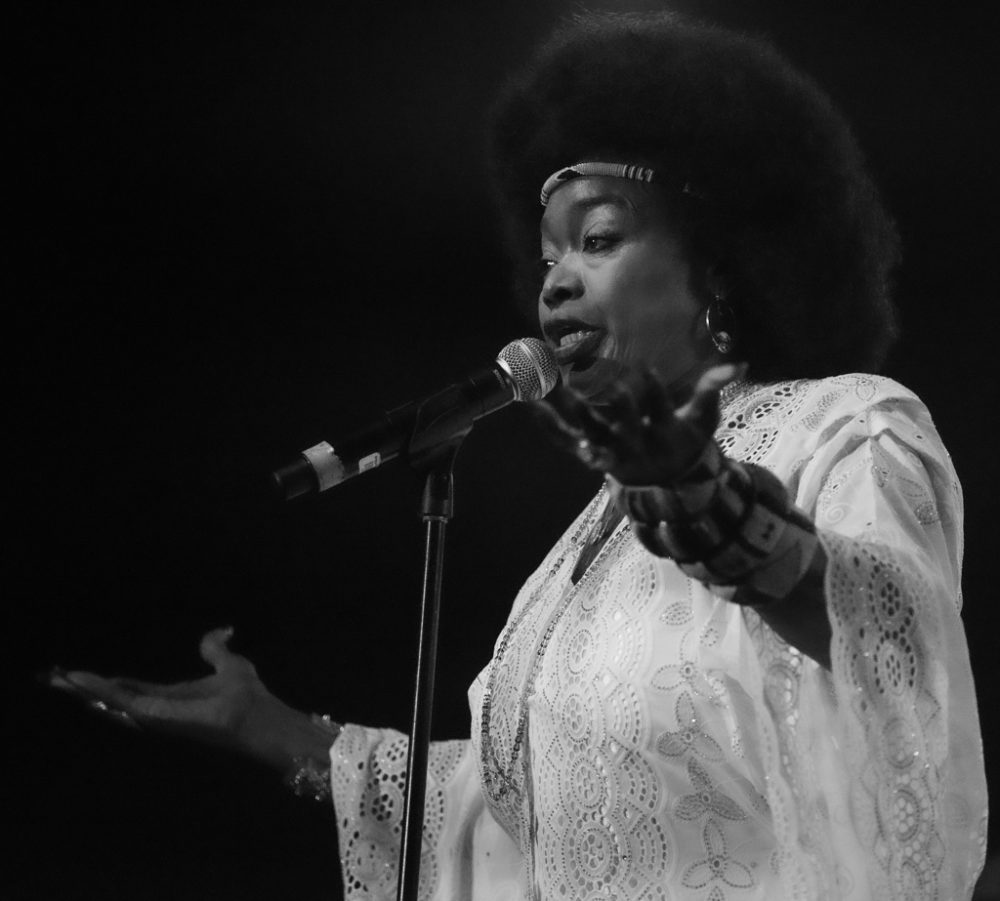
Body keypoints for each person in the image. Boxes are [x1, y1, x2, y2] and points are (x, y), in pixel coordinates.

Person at [47, 11, 986, 900]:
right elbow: (519, 816)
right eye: (547, 260)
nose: (556, 284)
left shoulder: (845, 424)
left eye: (599, 239)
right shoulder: (587, 537)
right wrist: (273, 730)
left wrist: (726, 521)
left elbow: (899, 644)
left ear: (720, 265)